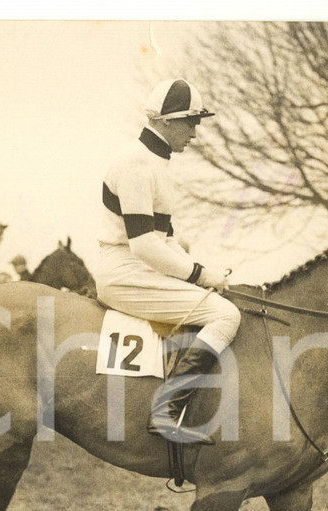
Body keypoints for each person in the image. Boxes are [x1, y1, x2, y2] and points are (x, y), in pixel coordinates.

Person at [97, 78, 241, 445]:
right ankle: (165, 411)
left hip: (140, 268)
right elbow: (144, 244)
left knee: (222, 299)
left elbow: (167, 241)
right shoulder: (135, 162)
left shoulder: (156, 163)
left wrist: (204, 272)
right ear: (164, 121)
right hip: (125, 271)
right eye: (189, 122)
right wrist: (200, 274)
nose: (195, 132)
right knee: (226, 315)